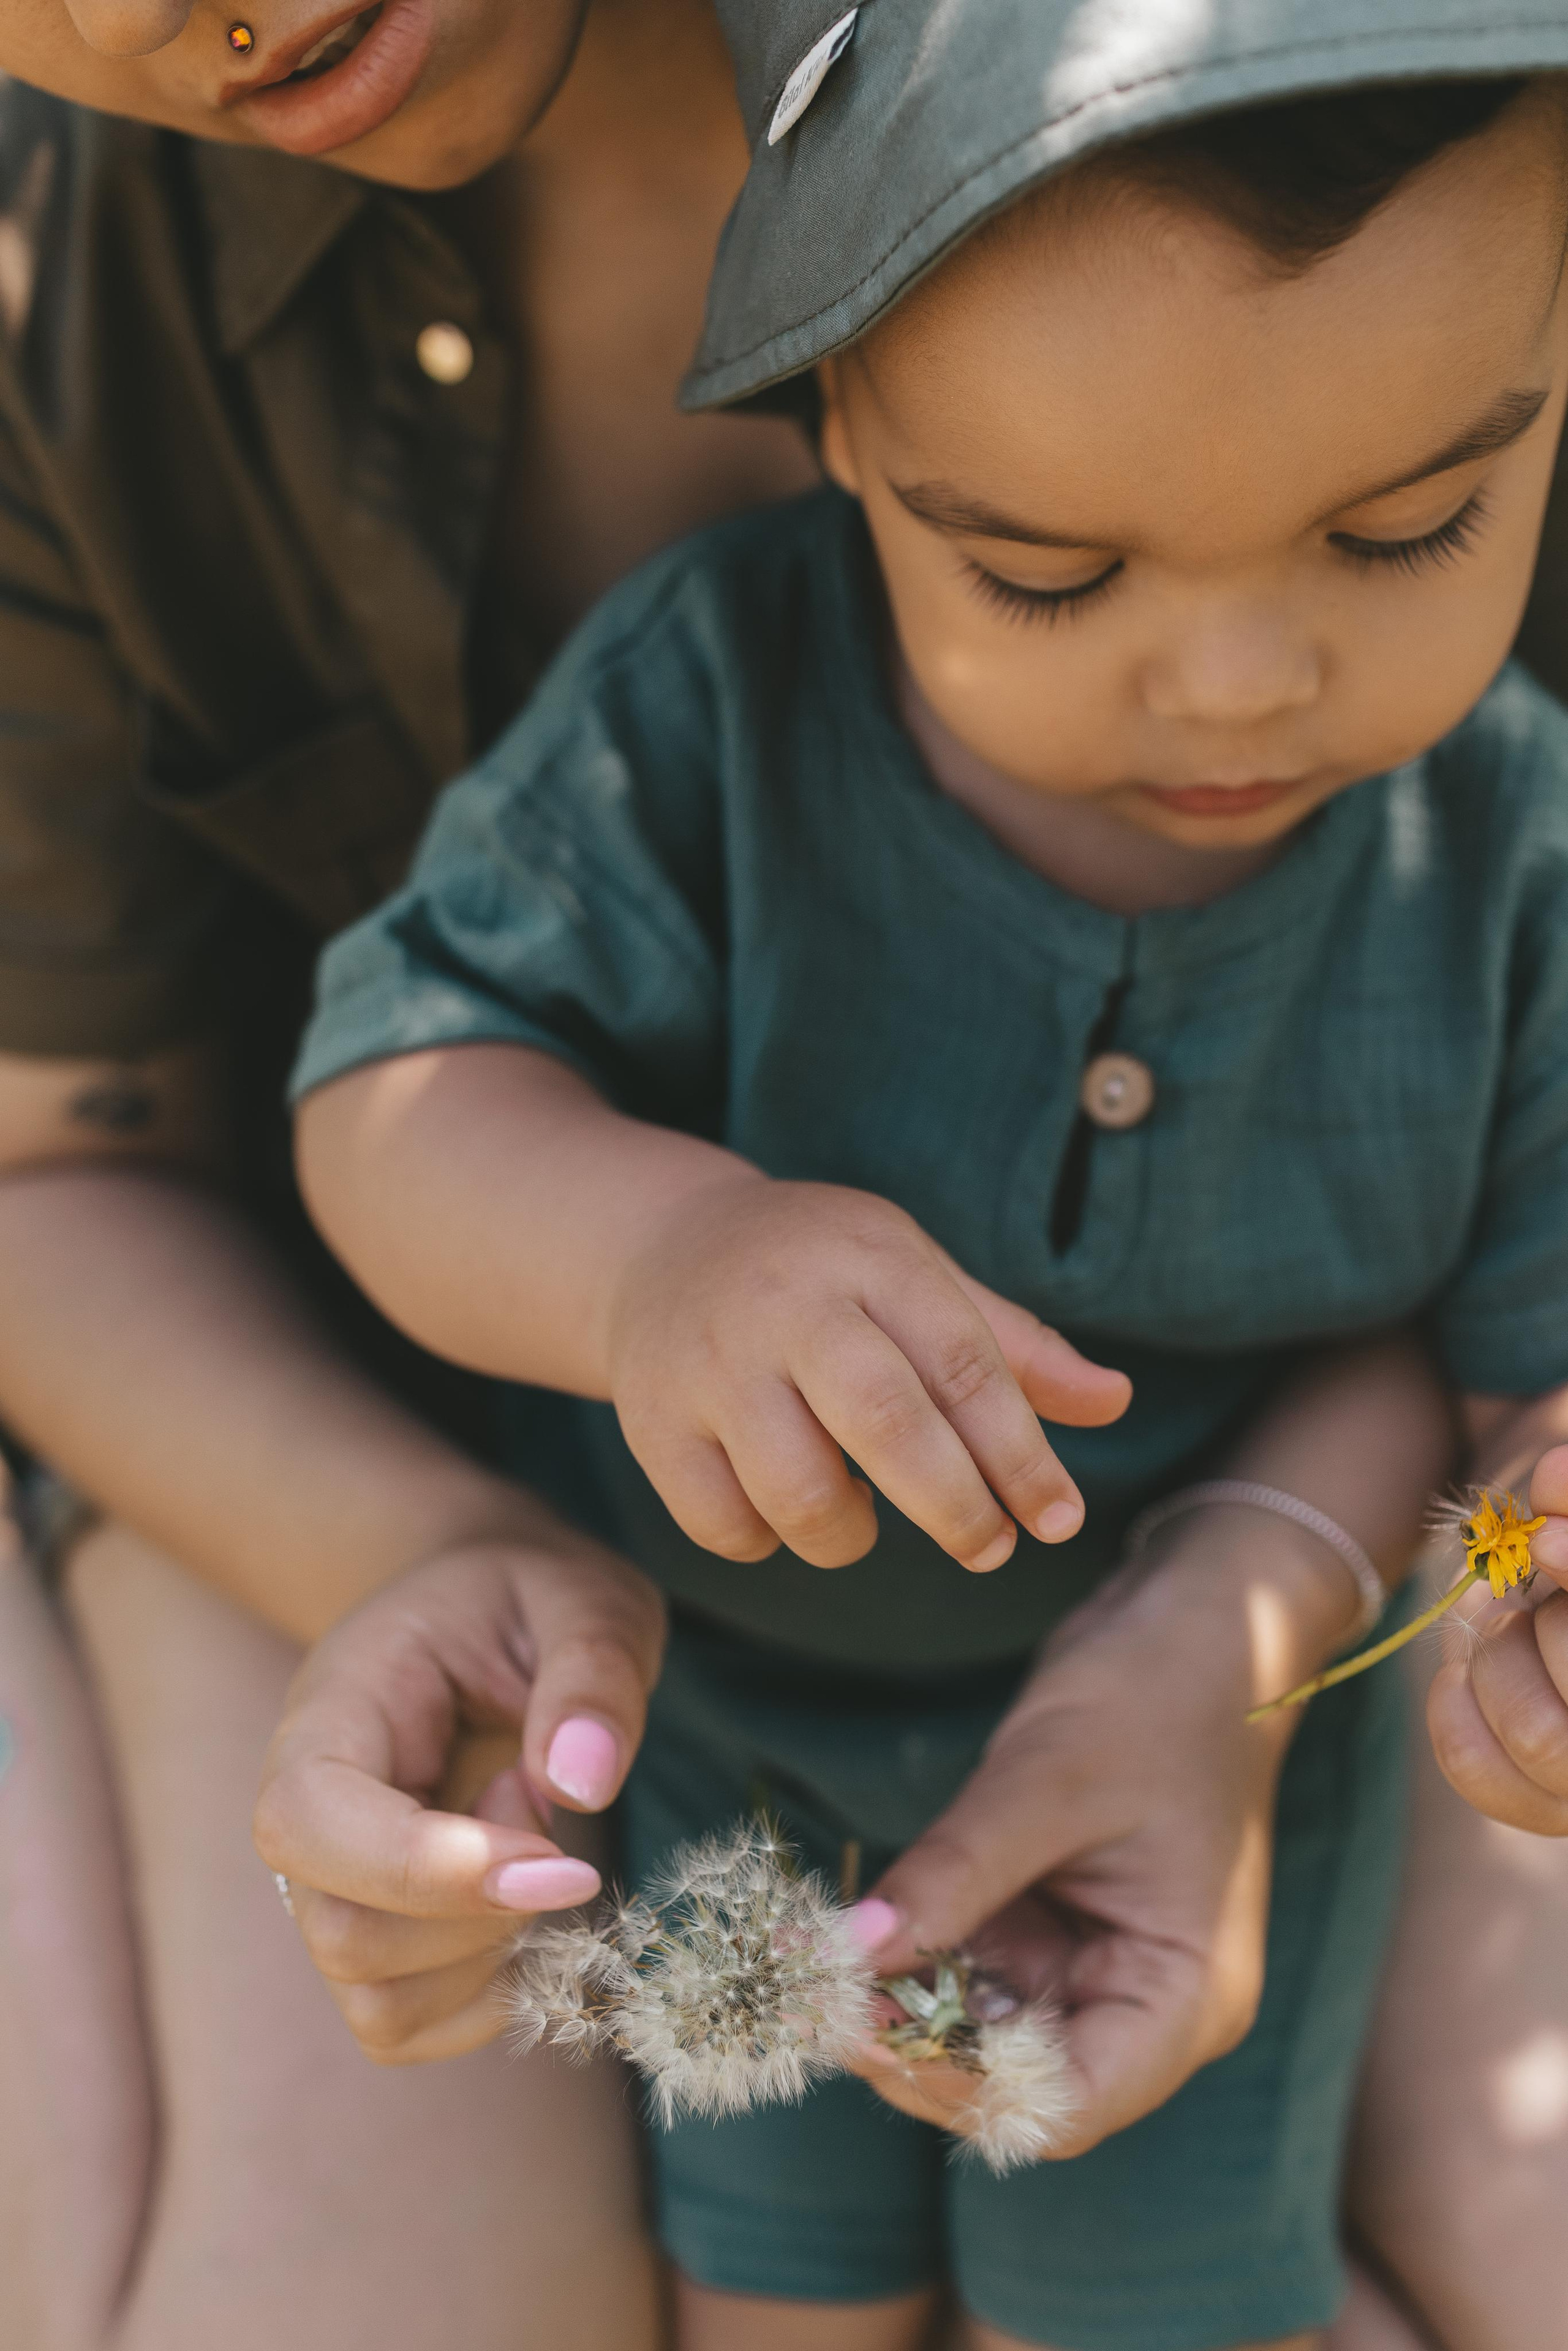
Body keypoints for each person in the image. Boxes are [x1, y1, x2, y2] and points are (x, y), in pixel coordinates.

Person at [292, 21, 1568, 2349]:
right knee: (776, 2291)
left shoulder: (1507, 852)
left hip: (1225, 1762)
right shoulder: (719, 704)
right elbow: (393, 1086)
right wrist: (650, 1249)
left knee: (1157, 2304)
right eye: (1054, 574)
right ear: (846, 424)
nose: (1242, 679)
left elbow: (1530, 1387)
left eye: (1412, 528)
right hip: (708, 1734)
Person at [0, 4, 820, 2347]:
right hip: (362, 1433)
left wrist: (1284, 1567)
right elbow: (67, 1169)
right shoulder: (72, 262)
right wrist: (425, 1552)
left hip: (1275, 1409)